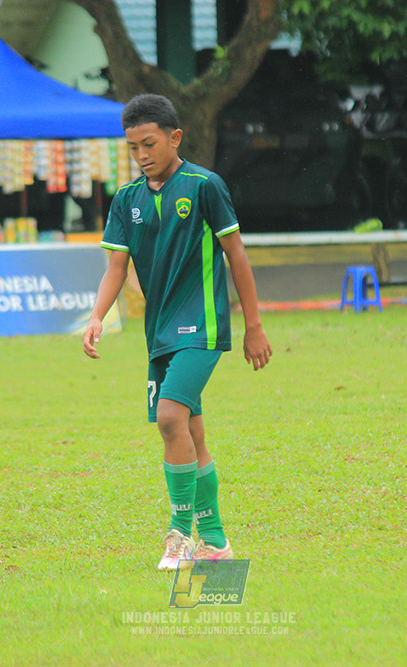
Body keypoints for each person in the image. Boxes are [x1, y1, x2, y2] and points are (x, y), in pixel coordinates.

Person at [83, 94, 272, 572]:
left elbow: (238, 257)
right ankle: (215, 542)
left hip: (203, 325)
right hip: (161, 331)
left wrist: (253, 326)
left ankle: (179, 537)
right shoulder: (128, 200)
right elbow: (115, 267)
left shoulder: (205, 186)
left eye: (149, 144)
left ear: (174, 137)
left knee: (169, 418)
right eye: (132, 148)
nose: (142, 155)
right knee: (190, 431)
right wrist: (95, 316)